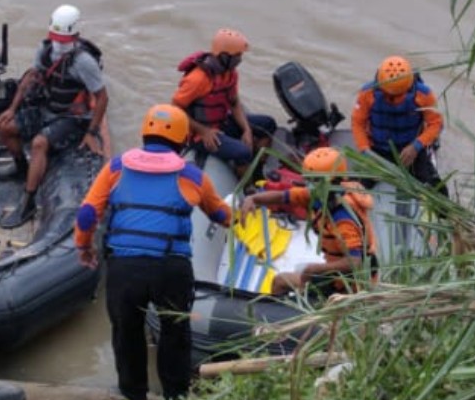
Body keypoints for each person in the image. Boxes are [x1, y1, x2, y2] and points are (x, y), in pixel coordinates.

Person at [74, 104, 231, 400]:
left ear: (145, 132)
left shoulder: (117, 167)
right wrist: (240, 214)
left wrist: (84, 247)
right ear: (184, 140)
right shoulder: (192, 175)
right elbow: (222, 215)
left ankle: (133, 398)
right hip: (171, 268)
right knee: (175, 335)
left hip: (124, 267)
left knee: (126, 332)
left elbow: (85, 215)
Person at [0, 4, 109, 228]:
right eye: (56, 37)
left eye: (64, 40)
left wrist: (92, 132)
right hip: (46, 108)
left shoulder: (84, 62)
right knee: (3, 127)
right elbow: (29, 79)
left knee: (39, 143)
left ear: (75, 35)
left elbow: (102, 98)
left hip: (71, 117)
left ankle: (28, 202)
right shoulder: (45, 50)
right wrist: (12, 109)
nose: (59, 44)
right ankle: (21, 168)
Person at [240, 147, 378, 298]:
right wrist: (254, 199)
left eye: (314, 180)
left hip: (347, 283)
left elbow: (355, 261)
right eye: (309, 179)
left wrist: (316, 269)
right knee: (286, 280)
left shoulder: (342, 218)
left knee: (279, 282)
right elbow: (283, 197)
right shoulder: (322, 194)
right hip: (335, 273)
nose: (309, 185)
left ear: (330, 181)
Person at [171, 28, 276, 178]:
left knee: (268, 124)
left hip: (222, 122)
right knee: (242, 151)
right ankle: (246, 185)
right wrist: (203, 131)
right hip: (200, 134)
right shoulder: (198, 79)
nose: (240, 59)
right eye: (237, 55)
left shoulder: (230, 74)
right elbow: (175, 109)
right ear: (224, 56)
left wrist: (246, 129)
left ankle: (257, 170)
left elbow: (234, 103)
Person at [351, 55, 446, 192]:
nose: (393, 100)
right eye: (388, 95)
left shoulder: (423, 94)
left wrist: (416, 146)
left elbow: (436, 123)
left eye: (398, 95)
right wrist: (365, 151)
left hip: (410, 150)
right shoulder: (367, 93)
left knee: (435, 188)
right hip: (377, 151)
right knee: (356, 188)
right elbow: (357, 122)